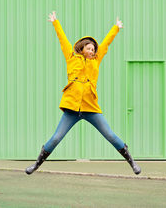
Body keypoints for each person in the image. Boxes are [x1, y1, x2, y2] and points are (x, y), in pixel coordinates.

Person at [25, 11, 141, 175]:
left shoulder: (96, 60)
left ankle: (132, 163)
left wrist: (116, 28)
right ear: (82, 48)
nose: (92, 50)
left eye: (93, 49)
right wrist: (55, 22)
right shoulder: (71, 57)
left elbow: (106, 44)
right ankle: (35, 165)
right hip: (71, 109)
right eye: (89, 48)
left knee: (110, 135)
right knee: (57, 138)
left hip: (90, 108)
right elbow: (63, 40)